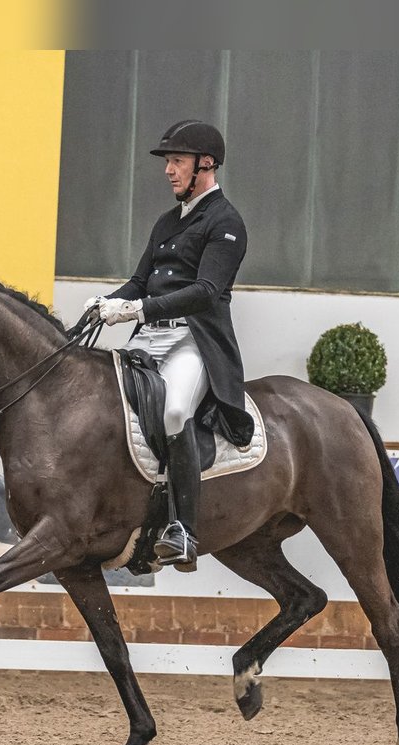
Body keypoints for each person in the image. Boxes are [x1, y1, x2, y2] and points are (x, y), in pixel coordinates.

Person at [88, 119, 254, 571]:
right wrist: (108, 302)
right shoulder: (167, 221)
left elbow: (205, 291)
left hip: (194, 339)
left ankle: (182, 530)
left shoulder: (226, 222)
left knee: (174, 410)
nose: (168, 171)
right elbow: (141, 281)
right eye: (168, 162)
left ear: (206, 164)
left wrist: (137, 309)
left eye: (177, 161)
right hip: (151, 338)